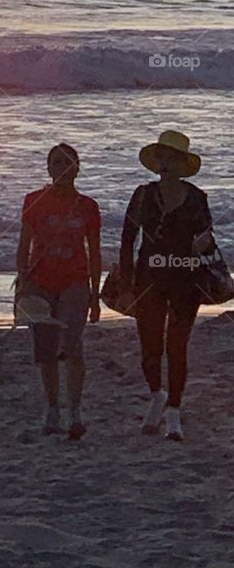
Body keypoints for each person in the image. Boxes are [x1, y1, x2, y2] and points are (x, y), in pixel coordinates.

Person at [119, 130, 213, 442]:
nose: (166, 163)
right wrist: (127, 280)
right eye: (162, 157)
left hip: (187, 279)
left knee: (177, 346)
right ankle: (157, 394)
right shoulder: (143, 194)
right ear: (156, 162)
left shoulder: (198, 198)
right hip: (149, 279)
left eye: (172, 158)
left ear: (182, 163)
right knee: (150, 347)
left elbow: (207, 237)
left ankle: (173, 410)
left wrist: (204, 248)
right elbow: (127, 239)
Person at [16, 143, 101, 439]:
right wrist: (22, 283)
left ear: (77, 167)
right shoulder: (34, 201)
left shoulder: (89, 206)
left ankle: (75, 410)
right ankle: (53, 407)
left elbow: (95, 251)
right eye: (55, 162)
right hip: (41, 282)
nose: (61, 167)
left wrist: (96, 294)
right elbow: (23, 245)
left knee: (73, 345)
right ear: (48, 168)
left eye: (67, 162)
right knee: (46, 349)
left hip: (75, 281)